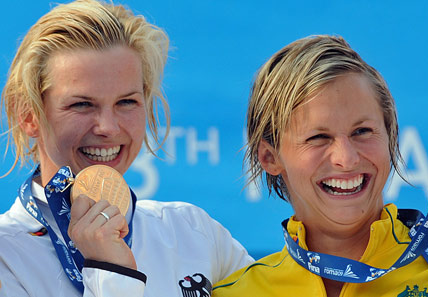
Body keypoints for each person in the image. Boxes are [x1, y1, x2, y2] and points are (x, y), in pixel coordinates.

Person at [212, 35, 428, 297]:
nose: (347, 158)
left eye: (362, 132)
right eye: (318, 137)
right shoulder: (236, 292)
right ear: (270, 158)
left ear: (390, 136)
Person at [0, 1, 252, 296]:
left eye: (126, 102)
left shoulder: (192, 232)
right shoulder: (8, 254)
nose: (107, 127)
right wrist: (111, 272)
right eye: (82, 104)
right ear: (29, 116)